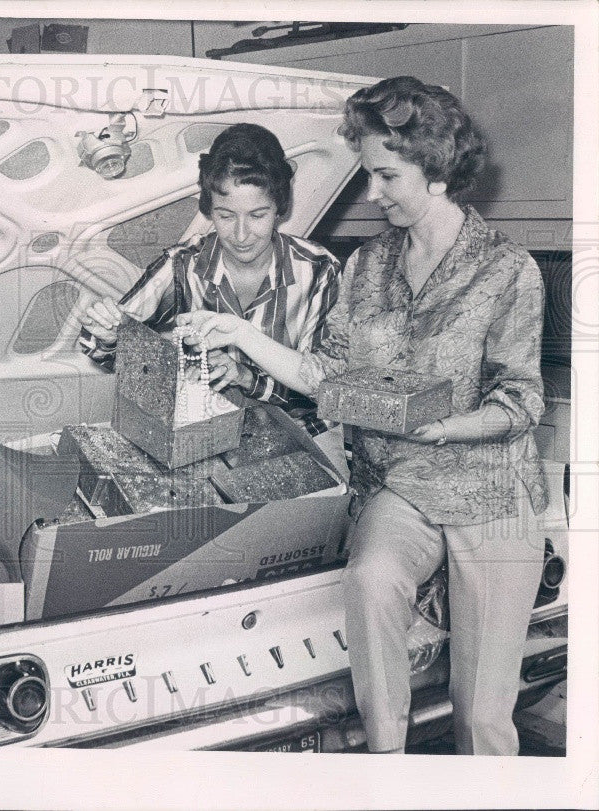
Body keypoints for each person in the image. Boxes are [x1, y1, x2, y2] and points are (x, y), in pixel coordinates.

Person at [179, 76, 547, 755]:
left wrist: (445, 426)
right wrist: (241, 335)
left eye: (385, 175)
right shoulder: (367, 266)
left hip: (490, 489)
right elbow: (327, 375)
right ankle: (384, 768)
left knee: (482, 713)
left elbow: (521, 399)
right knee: (371, 577)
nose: (371, 194)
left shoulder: (507, 269)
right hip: (401, 483)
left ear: (436, 171)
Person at [78, 123, 342, 451]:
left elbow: (324, 388)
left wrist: (249, 380)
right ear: (209, 210)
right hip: (213, 425)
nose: (241, 235)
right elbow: (111, 347)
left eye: (258, 215)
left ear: (279, 209)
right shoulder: (182, 263)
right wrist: (108, 334)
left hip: (306, 425)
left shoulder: (318, 267)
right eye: (226, 216)